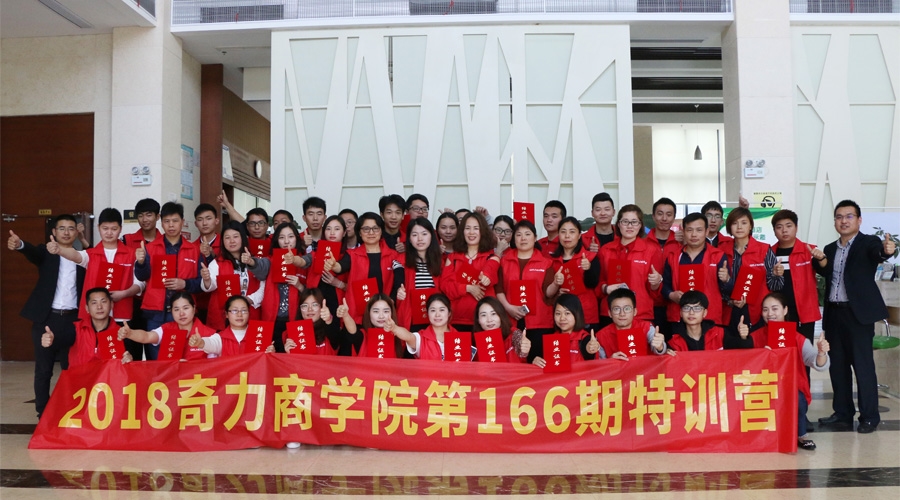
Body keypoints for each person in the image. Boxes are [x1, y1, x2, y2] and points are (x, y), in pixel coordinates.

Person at [815, 200, 895, 434]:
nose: (844, 221)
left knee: (863, 366)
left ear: (859, 220)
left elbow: (879, 253)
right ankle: (842, 414)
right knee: (837, 367)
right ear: (835, 222)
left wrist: (887, 250)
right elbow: (823, 271)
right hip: (834, 313)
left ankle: (869, 417)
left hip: (858, 315)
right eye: (839, 217)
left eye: (849, 216)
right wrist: (818, 259)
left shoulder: (868, 242)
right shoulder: (830, 249)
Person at [7, 215, 85, 418]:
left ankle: (71, 410)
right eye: (62, 228)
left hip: (73, 320)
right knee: (43, 369)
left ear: (76, 232)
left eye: (71, 228)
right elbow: (32, 252)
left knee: (71, 368)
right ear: (54, 232)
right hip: (46, 318)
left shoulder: (82, 257)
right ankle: (43, 413)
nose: (66, 232)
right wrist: (20, 244)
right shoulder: (46, 253)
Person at [733, 293, 831, 450]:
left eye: (774, 309)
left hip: (790, 390)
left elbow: (818, 364)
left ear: (785, 310)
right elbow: (741, 364)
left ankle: (801, 435)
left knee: (797, 398)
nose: (769, 314)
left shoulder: (798, 338)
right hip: (762, 390)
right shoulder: (755, 336)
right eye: (765, 309)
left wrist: (821, 353)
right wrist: (744, 340)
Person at [133, 202, 210, 359]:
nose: (171, 225)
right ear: (161, 223)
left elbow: (202, 284)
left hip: (182, 315)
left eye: (175, 221)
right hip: (155, 313)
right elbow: (142, 276)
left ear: (182, 222)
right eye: (167, 221)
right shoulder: (150, 248)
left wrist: (185, 284)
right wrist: (140, 263)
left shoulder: (194, 250)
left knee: (180, 358)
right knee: (155, 360)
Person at [48, 208, 143, 325]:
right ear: (98, 228)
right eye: (105, 228)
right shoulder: (91, 254)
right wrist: (59, 250)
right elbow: (76, 255)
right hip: (94, 317)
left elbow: (140, 283)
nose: (109, 233)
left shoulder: (132, 254)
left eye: (114, 229)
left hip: (121, 314)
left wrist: (125, 293)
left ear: (120, 229)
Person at [496, 220, 561, 362]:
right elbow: (499, 288)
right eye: (519, 234)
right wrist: (508, 307)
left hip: (539, 322)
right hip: (511, 321)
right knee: (515, 363)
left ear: (535, 237)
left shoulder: (546, 262)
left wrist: (556, 284)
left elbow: (548, 293)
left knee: (538, 362)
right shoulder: (504, 261)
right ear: (514, 238)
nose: (523, 238)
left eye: (527, 234)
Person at [770, 209, 824, 379]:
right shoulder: (769, 253)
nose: (784, 230)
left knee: (804, 355)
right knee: (780, 354)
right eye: (779, 227)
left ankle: (803, 391)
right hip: (780, 314)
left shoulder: (809, 250)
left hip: (804, 313)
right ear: (774, 231)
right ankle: (784, 390)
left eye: (788, 226)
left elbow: (825, 270)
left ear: (796, 227)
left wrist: (821, 259)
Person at [326, 212, 404, 324]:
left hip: (383, 315)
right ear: (359, 232)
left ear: (381, 231)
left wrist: (391, 300)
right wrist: (334, 265)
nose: (371, 233)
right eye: (366, 229)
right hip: (356, 315)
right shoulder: (352, 254)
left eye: (375, 228)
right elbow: (341, 266)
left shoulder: (393, 255)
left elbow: (399, 282)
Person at [597, 204, 664, 328]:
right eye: (625, 221)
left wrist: (656, 282)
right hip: (611, 313)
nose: (629, 226)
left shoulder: (652, 250)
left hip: (640, 312)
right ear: (618, 224)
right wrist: (606, 288)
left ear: (640, 225)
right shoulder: (605, 250)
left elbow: (655, 292)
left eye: (634, 222)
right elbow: (597, 283)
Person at [661, 212, 729, 332]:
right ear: (683, 232)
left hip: (709, 317)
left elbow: (728, 290)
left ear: (706, 231)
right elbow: (664, 286)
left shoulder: (718, 256)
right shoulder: (673, 256)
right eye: (689, 230)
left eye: (699, 230)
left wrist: (726, 280)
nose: (694, 234)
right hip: (679, 317)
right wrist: (672, 295)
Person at [720, 207, 782, 330]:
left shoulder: (764, 250)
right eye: (734, 223)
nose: (739, 227)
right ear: (729, 227)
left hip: (758, 311)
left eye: (744, 223)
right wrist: (730, 300)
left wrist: (775, 275)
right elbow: (715, 285)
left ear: (750, 226)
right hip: (729, 310)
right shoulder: (721, 251)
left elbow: (776, 286)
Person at [42, 287, 133, 367]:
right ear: (87, 308)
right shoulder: (76, 328)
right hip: (79, 379)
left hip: (106, 380)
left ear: (111, 305)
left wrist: (128, 359)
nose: (99, 307)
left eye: (103, 301)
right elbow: (62, 340)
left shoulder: (121, 332)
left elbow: (125, 363)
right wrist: (52, 340)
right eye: (94, 303)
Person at [440, 212, 500, 332]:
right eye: (467, 228)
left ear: (482, 231)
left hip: (484, 323)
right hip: (456, 320)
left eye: (476, 228)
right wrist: (467, 288)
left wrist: (486, 277)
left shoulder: (491, 257)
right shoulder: (453, 258)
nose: (471, 232)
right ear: (462, 231)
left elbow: (490, 270)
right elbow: (445, 286)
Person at [202, 221, 265, 330]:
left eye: (235, 237)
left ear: (243, 238)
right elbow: (210, 286)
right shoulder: (217, 263)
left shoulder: (254, 262)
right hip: (223, 317)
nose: (232, 241)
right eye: (227, 238)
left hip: (250, 313)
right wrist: (206, 279)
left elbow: (264, 287)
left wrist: (249, 299)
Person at [256, 222, 307, 352]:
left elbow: (313, 294)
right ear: (276, 240)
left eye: (290, 236)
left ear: (297, 238)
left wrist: (299, 286)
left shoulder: (303, 262)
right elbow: (258, 268)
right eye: (281, 237)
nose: (286, 241)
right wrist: (251, 262)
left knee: (293, 356)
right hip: (273, 320)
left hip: (296, 320)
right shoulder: (270, 261)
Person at [118, 291, 214, 361]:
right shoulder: (167, 329)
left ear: (194, 308)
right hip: (171, 379)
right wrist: (130, 333)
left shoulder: (209, 334)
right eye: (176, 309)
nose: (181, 313)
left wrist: (188, 367)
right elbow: (147, 336)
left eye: (186, 308)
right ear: (171, 311)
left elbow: (212, 366)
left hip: (198, 380)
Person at [122, 198, 161, 360]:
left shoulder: (165, 242)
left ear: (157, 217)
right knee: (133, 350)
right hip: (133, 303)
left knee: (155, 351)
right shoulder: (127, 240)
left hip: (157, 305)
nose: (145, 219)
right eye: (141, 215)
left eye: (149, 215)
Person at [550, 217, 601, 331]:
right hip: (562, 318)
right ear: (558, 235)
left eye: (572, 232)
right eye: (563, 232)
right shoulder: (552, 261)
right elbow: (547, 291)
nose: (567, 236)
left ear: (579, 235)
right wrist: (558, 292)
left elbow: (593, 283)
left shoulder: (590, 257)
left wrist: (588, 268)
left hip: (586, 313)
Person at [397, 218, 445, 331]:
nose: (420, 239)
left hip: (435, 316)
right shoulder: (401, 261)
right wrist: (398, 292)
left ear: (432, 236)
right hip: (411, 317)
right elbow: (394, 285)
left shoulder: (441, 261)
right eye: (414, 235)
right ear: (409, 238)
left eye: (424, 234)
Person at [522, 293, 594, 367]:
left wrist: (592, 349)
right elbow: (545, 365)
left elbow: (591, 353)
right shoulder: (550, 338)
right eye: (558, 314)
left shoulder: (585, 339)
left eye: (567, 313)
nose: (562, 318)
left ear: (577, 314)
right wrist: (536, 361)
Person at [594, 288, 667, 360]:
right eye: (616, 309)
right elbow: (600, 365)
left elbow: (660, 351)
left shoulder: (646, 327)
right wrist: (611, 361)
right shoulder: (601, 336)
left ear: (635, 312)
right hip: (616, 368)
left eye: (627, 309)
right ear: (610, 313)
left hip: (645, 368)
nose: (622, 314)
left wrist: (660, 347)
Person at [304, 215, 350, 320]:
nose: (332, 232)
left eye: (337, 229)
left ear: (344, 233)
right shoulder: (315, 254)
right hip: (316, 303)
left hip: (337, 304)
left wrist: (338, 283)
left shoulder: (349, 256)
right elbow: (303, 261)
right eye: (328, 229)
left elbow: (354, 288)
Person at [400, 293, 466, 361]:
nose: (437, 314)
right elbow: (408, 336)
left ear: (449, 312)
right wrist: (394, 328)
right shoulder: (421, 338)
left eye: (442, 310)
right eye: (433, 310)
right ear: (427, 313)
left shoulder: (459, 338)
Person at [280, 289, 346, 355]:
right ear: (300, 310)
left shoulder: (330, 330)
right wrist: (289, 355)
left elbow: (335, 336)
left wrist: (328, 320)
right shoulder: (290, 333)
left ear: (321, 307)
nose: (310, 309)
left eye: (315, 305)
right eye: (305, 305)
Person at [190, 295, 257, 357]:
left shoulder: (258, 335)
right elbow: (211, 343)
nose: (239, 315)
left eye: (244, 310)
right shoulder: (221, 337)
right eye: (234, 311)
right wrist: (200, 342)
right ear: (226, 314)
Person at [473, 296, 526, 363]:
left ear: (500, 315)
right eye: (483, 315)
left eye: (493, 314)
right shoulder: (474, 342)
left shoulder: (513, 333)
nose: (489, 320)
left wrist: (524, 348)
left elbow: (521, 351)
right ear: (478, 320)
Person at [192, 203, 221, 323]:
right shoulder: (190, 248)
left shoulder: (226, 245)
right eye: (200, 219)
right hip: (197, 305)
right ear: (195, 223)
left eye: (208, 218)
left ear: (216, 221)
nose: (204, 223)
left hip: (220, 304)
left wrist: (212, 255)